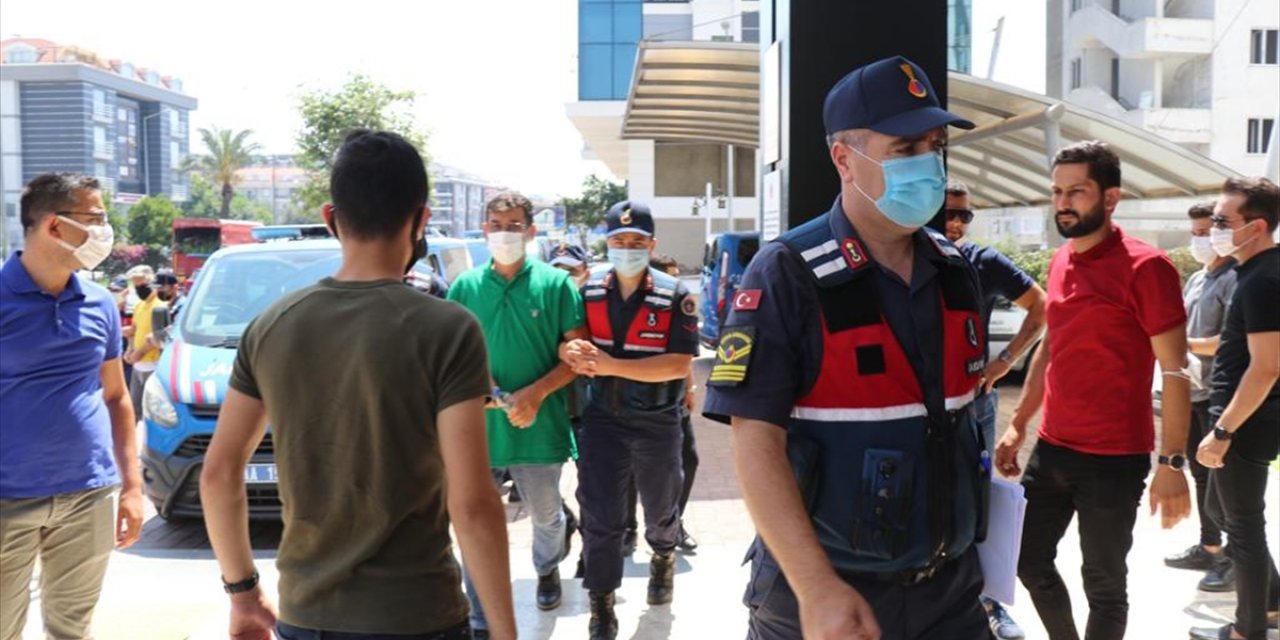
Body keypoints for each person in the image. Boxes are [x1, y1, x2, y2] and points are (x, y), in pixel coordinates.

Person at [703, 55, 989, 640]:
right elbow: (755, 440)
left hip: (950, 593)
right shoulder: (787, 272)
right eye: (905, 149)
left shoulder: (955, 268)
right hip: (828, 596)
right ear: (844, 160)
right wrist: (815, 587)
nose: (928, 165)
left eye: (935, 146)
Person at [200, 130, 515, 640]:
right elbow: (473, 501)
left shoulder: (272, 325)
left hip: (307, 616)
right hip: (418, 614)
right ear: (421, 220)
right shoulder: (448, 329)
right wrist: (505, 632)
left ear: (331, 218)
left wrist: (243, 593)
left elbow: (217, 473)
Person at [997, 140, 1192, 640]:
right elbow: (1052, 344)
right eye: (1057, 191)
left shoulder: (1146, 268)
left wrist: (1172, 463)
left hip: (1114, 459)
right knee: (1027, 561)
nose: (1063, 202)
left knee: (1103, 584)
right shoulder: (1062, 259)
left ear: (1110, 198)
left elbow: (1175, 372)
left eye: (1077, 191)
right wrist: (1020, 422)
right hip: (1054, 449)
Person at [0, 172, 144, 640]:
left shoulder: (100, 304)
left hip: (88, 495)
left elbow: (117, 396)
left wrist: (132, 488)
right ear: (55, 226)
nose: (106, 230)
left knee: (71, 632)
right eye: (96, 218)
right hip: (7, 499)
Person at [447, 190, 585, 636]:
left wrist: (534, 394)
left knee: (547, 516)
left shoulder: (556, 285)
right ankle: (479, 609)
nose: (505, 233)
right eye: (497, 224)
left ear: (530, 231)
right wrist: (480, 389)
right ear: (484, 230)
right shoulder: (463, 287)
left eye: (514, 225)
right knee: (471, 519)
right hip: (476, 430)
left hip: (539, 427)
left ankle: (547, 568)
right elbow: (450, 353)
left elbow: (579, 357)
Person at [560, 201, 698, 640]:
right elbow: (572, 344)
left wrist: (611, 365)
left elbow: (678, 363)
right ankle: (601, 607)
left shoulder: (675, 295)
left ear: (651, 245)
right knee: (600, 516)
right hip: (602, 421)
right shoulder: (589, 290)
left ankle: (663, 558)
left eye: (636, 242)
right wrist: (571, 354)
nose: (627, 248)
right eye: (618, 241)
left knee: (660, 510)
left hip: (658, 420)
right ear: (607, 243)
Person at [931, 178, 1046, 640]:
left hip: (974, 403)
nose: (957, 223)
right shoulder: (902, 257)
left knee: (979, 500)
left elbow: (1042, 308)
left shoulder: (984, 261)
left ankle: (990, 601)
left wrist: (1003, 363)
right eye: (949, 214)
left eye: (965, 215)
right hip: (912, 406)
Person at [1189, 177, 1280, 640]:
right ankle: (1271, 605)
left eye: (1223, 222)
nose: (1212, 231)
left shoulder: (1264, 278)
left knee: (1242, 528)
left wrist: (1222, 431)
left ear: (1257, 226)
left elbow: (1265, 368)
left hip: (1243, 425)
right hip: (1240, 421)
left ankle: (1248, 630)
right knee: (1224, 511)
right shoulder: (1253, 271)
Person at [1163, 203, 1237, 591]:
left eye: (1206, 231)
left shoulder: (1235, 280)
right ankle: (1210, 548)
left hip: (1218, 396)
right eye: (1193, 233)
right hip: (1191, 391)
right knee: (1200, 475)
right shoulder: (1197, 279)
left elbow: (1232, 340)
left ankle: (1236, 559)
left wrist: (1184, 344)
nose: (1199, 240)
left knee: (1221, 482)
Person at [124, 266, 162, 417]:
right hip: (138, 364)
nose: (139, 288)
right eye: (135, 285)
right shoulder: (139, 306)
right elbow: (134, 330)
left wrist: (138, 353)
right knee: (134, 407)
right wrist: (129, 350)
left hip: (153, 364)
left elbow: (158, 337)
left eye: (141, 285)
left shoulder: (159, 306)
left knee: (150, 411)